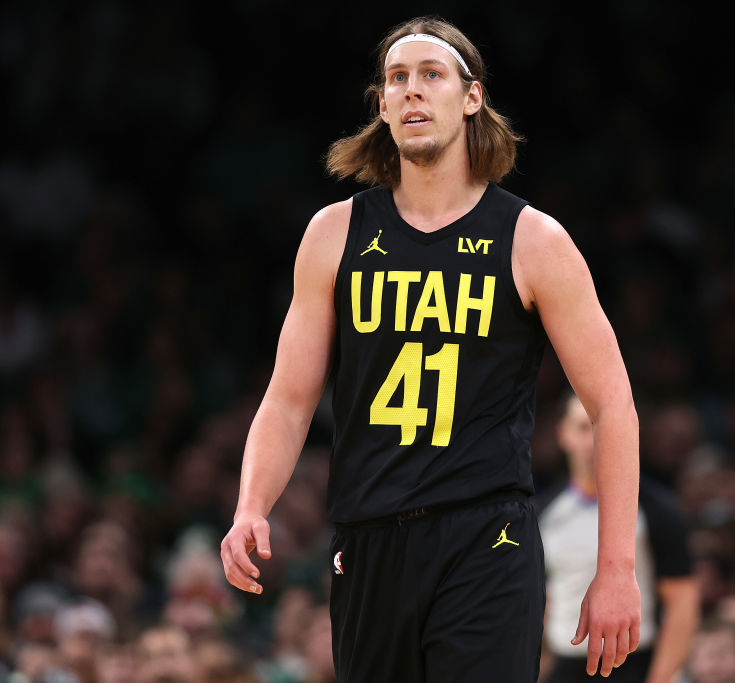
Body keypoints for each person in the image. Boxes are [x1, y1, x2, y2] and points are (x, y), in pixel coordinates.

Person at [220, 15, 641, 682]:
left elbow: (612, 402)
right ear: (381, 106)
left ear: (471, 97)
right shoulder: (334, 234)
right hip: (368, 538)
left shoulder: (533, 240)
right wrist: (250, 505)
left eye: (430, 75)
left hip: (487, 536)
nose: (412, 90)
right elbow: (290, 398)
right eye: (397, 79)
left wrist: (614, 567)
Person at [538, 393, 699, 682]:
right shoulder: (543, 513)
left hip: (635, 665)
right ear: (562, 434)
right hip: (564, 666)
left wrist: (659, 678)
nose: (593, 440)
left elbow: (682, 605)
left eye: (600, 426)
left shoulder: (656, 508)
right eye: (583, 428)